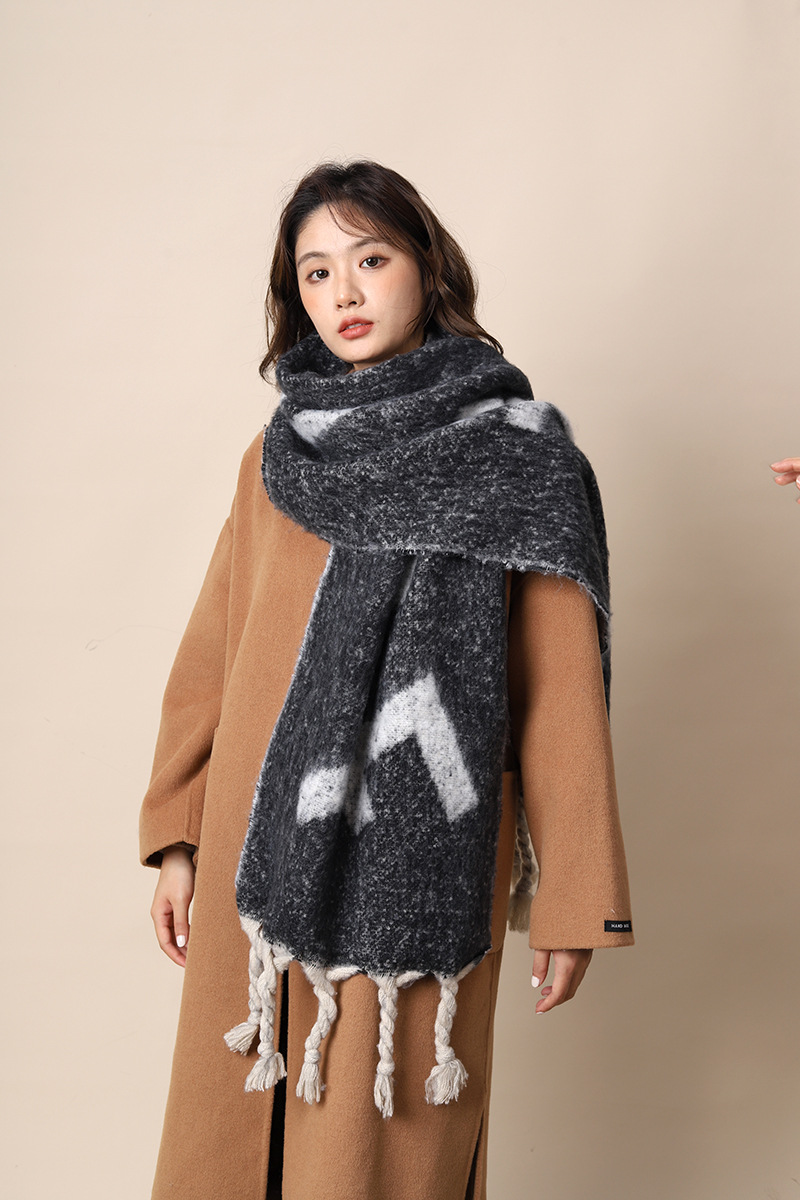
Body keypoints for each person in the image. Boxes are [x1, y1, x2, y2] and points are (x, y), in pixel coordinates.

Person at [140, 160, 634, 1200]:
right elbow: (213, 650)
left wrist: (575, 900)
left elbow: (558, 698)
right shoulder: (278, 455)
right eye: (316, 273)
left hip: (421, 845)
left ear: (427, 267)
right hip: (252, 844)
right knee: (235, 1136)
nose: (344, 293)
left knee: (376, 1147)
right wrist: (178, 833)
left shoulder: (521, 460)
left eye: (370, 259)